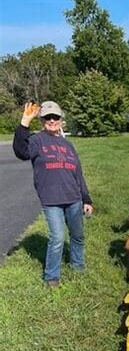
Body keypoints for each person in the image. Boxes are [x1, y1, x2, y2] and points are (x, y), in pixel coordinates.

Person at [12, 101, 93, 287]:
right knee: (57, 238)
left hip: (74, 198)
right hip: (52, 200)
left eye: (55, 117)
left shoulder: (68, 145)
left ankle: (77, 266)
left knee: (77, 235)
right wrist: (25, 121)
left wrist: (86, 199)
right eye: (48, 117)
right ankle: (51, 277)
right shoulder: (36, 140)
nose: (52, 120)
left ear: (61, 120)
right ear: (42, 120)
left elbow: (78, 174)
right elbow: (21, 151)